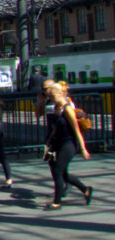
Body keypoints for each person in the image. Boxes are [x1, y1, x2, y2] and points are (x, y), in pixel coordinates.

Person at [43, 82, 91, 210]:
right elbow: (56, 127)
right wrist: (49, 142)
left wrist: (83, 148)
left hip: (68, 144)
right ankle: (85, 189)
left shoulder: (68, 109)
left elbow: (76, 130)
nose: (51, 99)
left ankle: (57, 202)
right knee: (61, 172)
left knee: (58, 170)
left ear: (60, 94)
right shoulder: (57, 108)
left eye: (53, 96)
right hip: (58, 142)